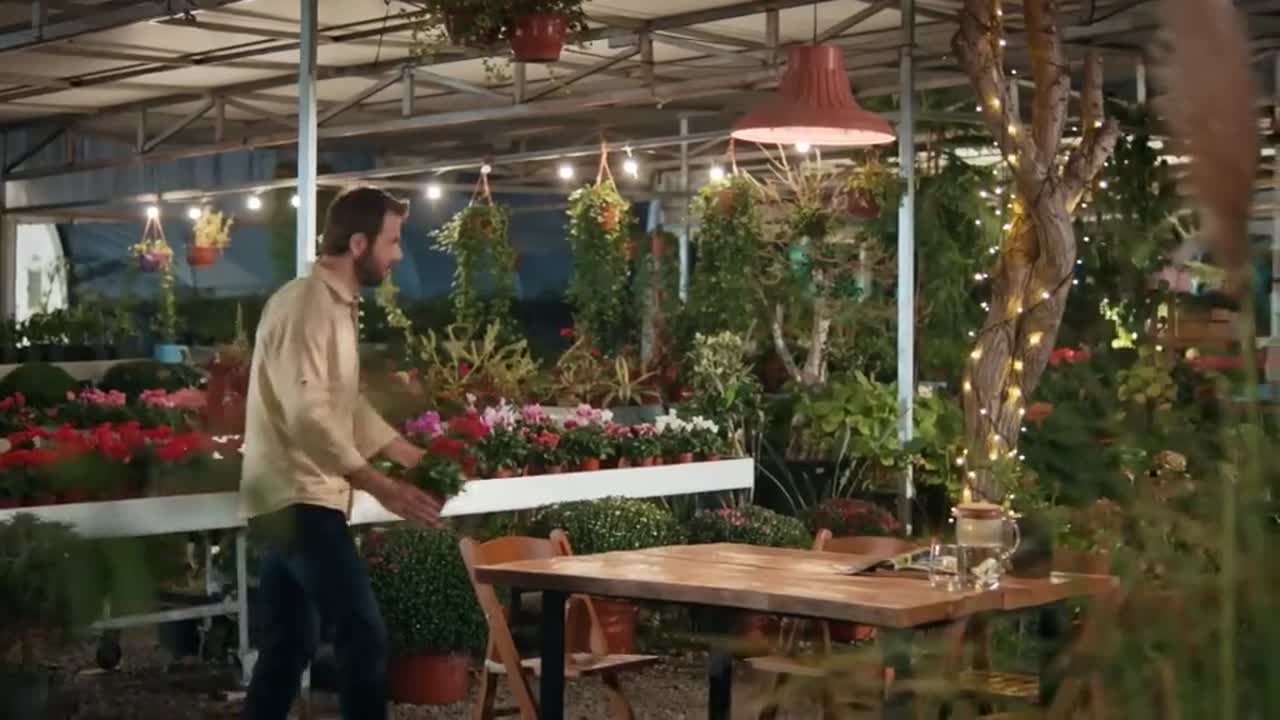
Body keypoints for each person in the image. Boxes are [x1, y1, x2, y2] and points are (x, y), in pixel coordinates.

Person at [239, 186, 443, 720]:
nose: (398, 254)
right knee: (362, 634)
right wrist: (381, 486)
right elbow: (309, 417)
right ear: (358, 243)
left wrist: (411, 456)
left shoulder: (332, 304)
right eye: (392, 241)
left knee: (289, 645)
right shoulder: (309, 305)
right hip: (299, 498)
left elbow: (344, 404)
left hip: (286, 495)